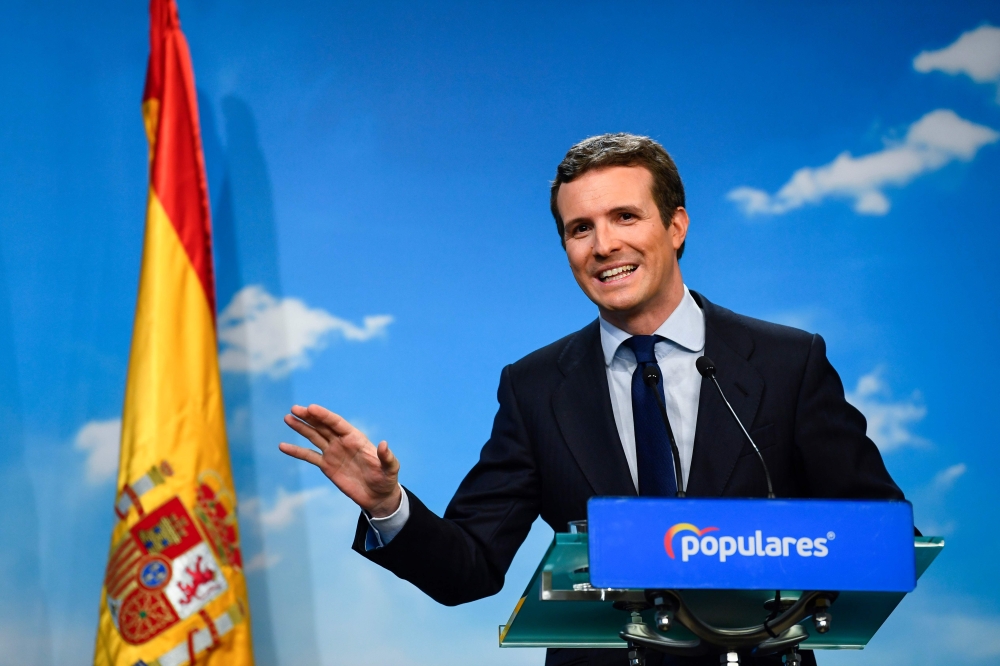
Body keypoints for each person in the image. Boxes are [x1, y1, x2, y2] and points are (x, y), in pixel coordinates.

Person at [279, 133, 905, 666]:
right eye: (581, 229)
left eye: (625, 217)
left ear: (676, 225)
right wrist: (388, 507)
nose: (603, 245)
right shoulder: (534, 387)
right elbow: (468, 569)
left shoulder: (787, 361)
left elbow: (882, 535)